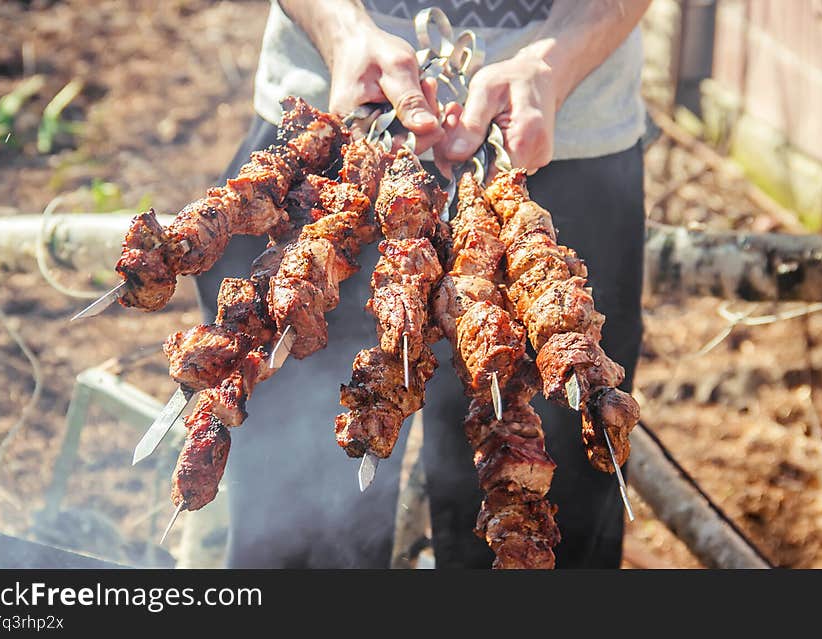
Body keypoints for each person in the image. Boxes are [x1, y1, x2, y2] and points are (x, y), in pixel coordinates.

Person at [196, 0, 651, 568]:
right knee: (299, 532)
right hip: (336, 132)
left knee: (539, 517)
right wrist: (341, 30)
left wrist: (552, 62)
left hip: (559, 135)